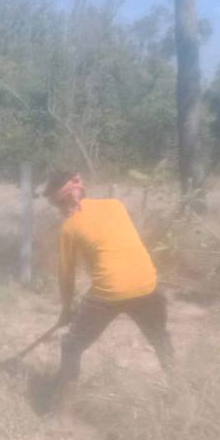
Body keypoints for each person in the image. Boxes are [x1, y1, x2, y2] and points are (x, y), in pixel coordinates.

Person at [38, 170, 173, 405]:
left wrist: (66, 311)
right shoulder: (115, 205)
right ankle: (180, 388)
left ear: (61, 202)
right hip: (147, 284)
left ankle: (64, 411)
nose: (58, 210)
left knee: (71, 345)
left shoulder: (69, 228)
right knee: (159, 337)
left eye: (56, 204)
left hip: (109, 292)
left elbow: (66, 276)